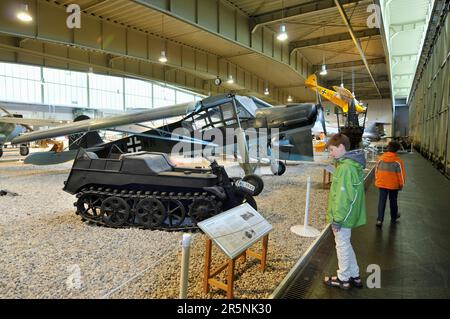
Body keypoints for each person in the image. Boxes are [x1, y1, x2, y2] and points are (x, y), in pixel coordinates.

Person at [324, 133, 367, 290]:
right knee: (345, 244)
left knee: (341, 245)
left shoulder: (345, 168)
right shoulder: (350, 165)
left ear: (341, 147)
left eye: (332, 149)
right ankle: (354, 275)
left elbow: (343, 198)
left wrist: (337, 219)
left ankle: (343, 279)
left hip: (344, 217)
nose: (331, 153)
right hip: (349, 215)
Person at [375, 140, 406, 227]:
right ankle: (394, 216)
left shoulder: (381, 159)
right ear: (397, 150)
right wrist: (401, 184)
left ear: (388, 148)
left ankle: (379, 220)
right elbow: (402, 175)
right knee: (393, 200)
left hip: (382, 184)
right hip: (393, 185)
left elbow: (376, 171)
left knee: (382, 201)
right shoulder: (398, 161)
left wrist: (377, 180)